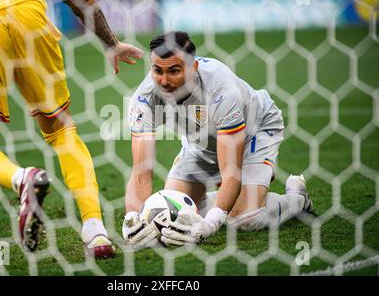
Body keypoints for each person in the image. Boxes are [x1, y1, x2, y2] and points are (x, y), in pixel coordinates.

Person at [0, 0, 143, 257]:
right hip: (30, 16)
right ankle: (95, 229)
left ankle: (20, 178)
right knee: (62, 131)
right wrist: (112, 43)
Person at [122, 31, 313, 248]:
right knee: (171, 211)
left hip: (254, 131)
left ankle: (297, 198)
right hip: (200, 144)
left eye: (174, 71)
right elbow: (141, 174)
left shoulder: (221, 91)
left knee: (244, 219)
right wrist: (133, 219)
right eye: (157, 71)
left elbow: (231, 174)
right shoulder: (144, 100)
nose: (164, 81)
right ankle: (247, 189)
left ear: (192, 68)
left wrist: (211, 224)